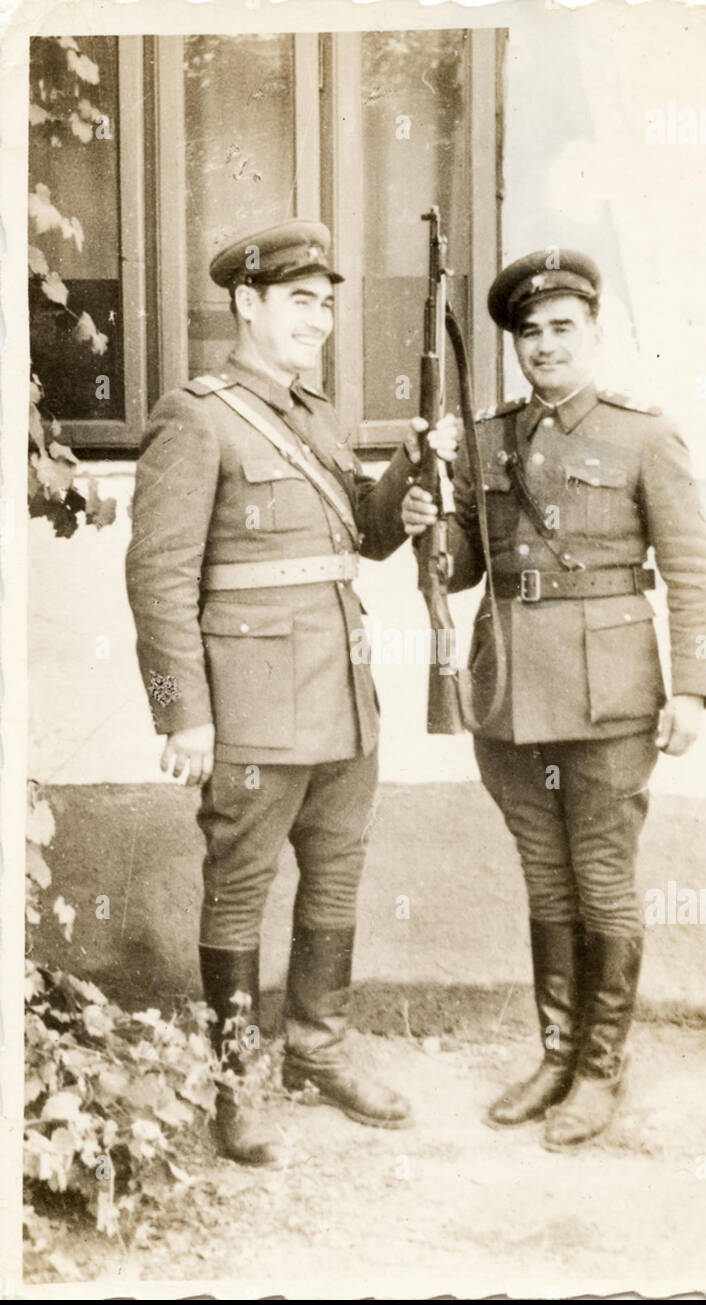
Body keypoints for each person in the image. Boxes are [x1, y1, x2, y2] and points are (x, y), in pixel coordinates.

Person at [126, 219, 458, 1163]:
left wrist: (405, 487)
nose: (318, 318)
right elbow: (156, 580)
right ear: (248, 302)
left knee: (338, 875)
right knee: (238, 891)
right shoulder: (196, 415)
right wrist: (180, 709)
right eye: (300, 301)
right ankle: (235, 1084)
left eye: (326, 303)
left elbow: (358, 534)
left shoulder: (316, 413)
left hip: (345, 694)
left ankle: (316, 1051)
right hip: (250, 707)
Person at [402, 249, 706, 1149]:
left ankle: (598, 1071)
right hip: (508, 692)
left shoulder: (644, 436)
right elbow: (469, 567)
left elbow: (692, 567)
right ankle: (553, 1055)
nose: (543, 345)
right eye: (527, 333)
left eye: (559, 329)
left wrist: (691, 689)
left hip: (611, 695)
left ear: (591, 332)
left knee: (603, 880)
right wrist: (436, 528)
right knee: (545, 877)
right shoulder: (492, 437)